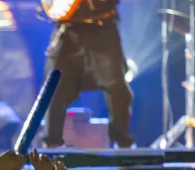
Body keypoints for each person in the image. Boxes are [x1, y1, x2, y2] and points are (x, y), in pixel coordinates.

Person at [42, 0, 135, 148]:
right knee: (54, 89)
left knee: (117, 89)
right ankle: (51, 147)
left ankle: (122, 146)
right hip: (67, 32)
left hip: (102, 30)